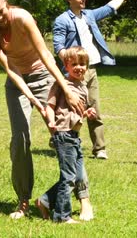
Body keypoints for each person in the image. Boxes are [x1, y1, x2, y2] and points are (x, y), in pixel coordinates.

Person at [0, 0, 93, 220]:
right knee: (20, 140)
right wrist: (30, 98)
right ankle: (23, 201)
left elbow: (46, 56)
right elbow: (10, 68)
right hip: (17, 82)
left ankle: (84, 199)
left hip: (44, 76)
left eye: (0, 11)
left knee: (68, 135)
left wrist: (66, 91)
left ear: (5, 2)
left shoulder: (22, 18)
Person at [53, 0, 135, 160]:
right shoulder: (62, 20)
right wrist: (69, 65)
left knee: (94, 108)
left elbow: (109, 8)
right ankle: (60, 139)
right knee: (71, 110)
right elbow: (58, 46)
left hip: (91, 70)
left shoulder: (89, 15)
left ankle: (99, 149)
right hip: (73, 73)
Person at [35, 46, 97, 224]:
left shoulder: (82, 86)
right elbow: (50, 106)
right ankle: (62, 216)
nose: (79, 67)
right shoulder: (61, 84)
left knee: (75, 176)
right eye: (74, 64)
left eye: (83, 64)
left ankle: (45, 201)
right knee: (68, 177)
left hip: (75, 136)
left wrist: (87, 112)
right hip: (64, 135)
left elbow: (76, 111)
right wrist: (51, 122)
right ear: (66, 66)